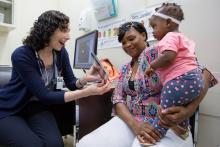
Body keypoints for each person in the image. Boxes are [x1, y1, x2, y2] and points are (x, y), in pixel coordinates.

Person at [76, 21, 217, 147]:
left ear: (144, 35)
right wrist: (135, 125)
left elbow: (205, 73)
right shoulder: (126, 68)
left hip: (164, 123)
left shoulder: (161, 53)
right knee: (86, 143)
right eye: (123, 42)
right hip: (133, 121)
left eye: (131, 39)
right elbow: (118, 99)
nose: (127, 45)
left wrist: (189, 110)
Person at [0, 10, 111, 147]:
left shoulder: (60, 52)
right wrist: (87, 92)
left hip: (36, 107)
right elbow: (45, 95)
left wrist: (85, 79)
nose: (68, 36)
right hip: (10, 108)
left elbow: (71, 83)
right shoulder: (22, 55)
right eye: (64, 30)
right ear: (48, 30)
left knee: (55, 144)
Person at [144, 2, 205, 139]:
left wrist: (152, 66)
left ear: (168, 23)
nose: (152, 31)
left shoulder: (169, 37)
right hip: (196, 81)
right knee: (176, 105)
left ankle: (157, 132)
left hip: (179, 80)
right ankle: (182, 128)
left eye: (154, 26)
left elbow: (169, 56)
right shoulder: (183, 38)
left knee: (165, 109)